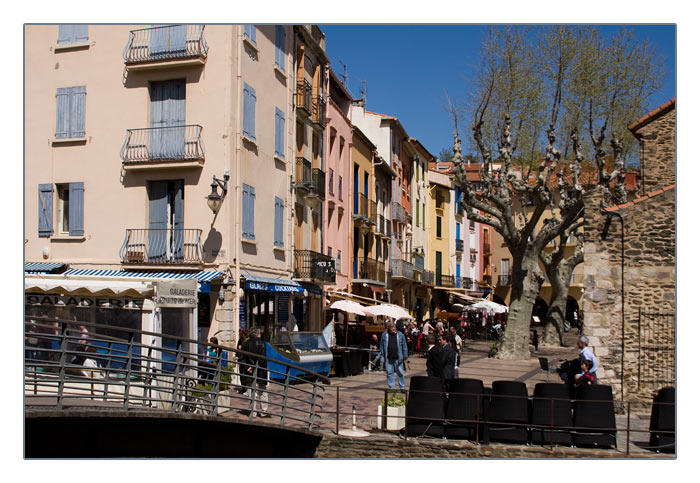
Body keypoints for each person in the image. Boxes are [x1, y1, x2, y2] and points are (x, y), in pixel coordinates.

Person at [241, 327, 270, 418]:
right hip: (260, 371)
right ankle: (263, 411)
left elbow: (242, 358)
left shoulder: (245, 344)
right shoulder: (261, 343)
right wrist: (254, 368)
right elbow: (262, 359)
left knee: (251, 391)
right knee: (262, 391)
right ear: (257, 334)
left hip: (248, 371)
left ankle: (253, 411)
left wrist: (247, 367)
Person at [379, 321, 409, 391]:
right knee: (389, 373)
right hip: (388, 357)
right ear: (388, 328)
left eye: (394, 327)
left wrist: (405, 355)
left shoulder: (400, 334)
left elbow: (404, 345)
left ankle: (402, 387)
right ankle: (392, 388)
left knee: (400, 373)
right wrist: (382, 353)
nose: (394, 328)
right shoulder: (384, 335)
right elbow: (381, 345)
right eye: (392, 327)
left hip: (398, 357)